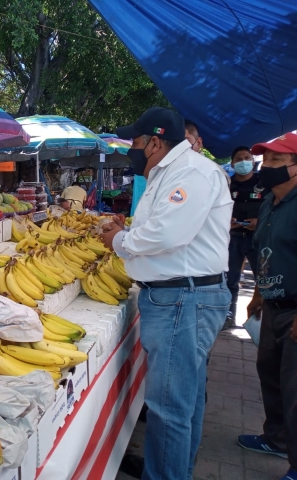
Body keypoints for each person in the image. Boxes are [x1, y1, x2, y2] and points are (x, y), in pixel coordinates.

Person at [100, 107, 232, 480]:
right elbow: (163, 225)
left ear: (155, 142)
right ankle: (177, 470)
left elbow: (166, 235)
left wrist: (119, 240)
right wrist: (129, 231)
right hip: (179, 298)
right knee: (183, 405)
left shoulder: (191, 171)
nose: (133, 149)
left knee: (170, 409)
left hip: (181, 302)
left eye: (136, 142)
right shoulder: (169, 172)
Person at [238, 133, 297, 480]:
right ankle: (275, 439)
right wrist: (258, 295)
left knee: (294, 389)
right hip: (273, 306)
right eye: (266, 161)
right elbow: (263, 253)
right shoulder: (268, 203)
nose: (266, 167)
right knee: (271, 376)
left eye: (276, 161)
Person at [224, 146, 269, 328]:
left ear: (253, 160)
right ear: (233, 163)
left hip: (257, 237)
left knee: (264, 279)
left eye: (247, 157)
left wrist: (259, 221)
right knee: (230, 279)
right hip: (233, 236)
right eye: (239, 159)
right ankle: (228, 317)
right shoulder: (227, 184)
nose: (244, 161)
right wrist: (226, 220)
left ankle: (258, 322)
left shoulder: (264, 183)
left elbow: (272, 207)